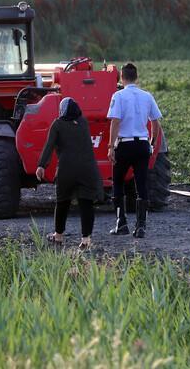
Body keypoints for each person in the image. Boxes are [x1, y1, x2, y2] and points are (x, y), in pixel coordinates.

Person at [36, 97, 104, 250]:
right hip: (88, 169)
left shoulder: (58, 124)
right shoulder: (83, 122)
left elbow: (49, 145)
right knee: (86, 203)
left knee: (62, 202)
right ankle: (86, 240)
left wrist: (41, 165)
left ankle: (58, 236)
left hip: (67, 169)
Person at [106, 63, 162, 238]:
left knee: (118, 182)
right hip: (142, 145)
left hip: (124, 144)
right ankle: (141, 226)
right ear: (136, 78)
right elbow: (155, 122)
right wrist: (151, 143)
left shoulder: (118, 96)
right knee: (141, 184)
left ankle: (121, 223)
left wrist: (110, 146)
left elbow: (115, 121)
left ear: (122, 78)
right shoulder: (147, 96)